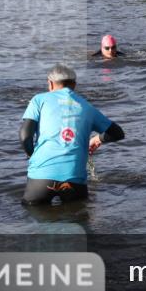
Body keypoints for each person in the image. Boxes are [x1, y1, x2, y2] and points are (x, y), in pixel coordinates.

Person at [19, 64, 125, 205]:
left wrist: (31, 155)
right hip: (74, 180)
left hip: (41, 178)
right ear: (74, 85)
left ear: (50, 84)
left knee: (34, 217)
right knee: (77, 221)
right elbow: (118, 133)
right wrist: (97, 138)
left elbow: (25, 136)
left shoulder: (39, 100)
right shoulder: (87, 107)